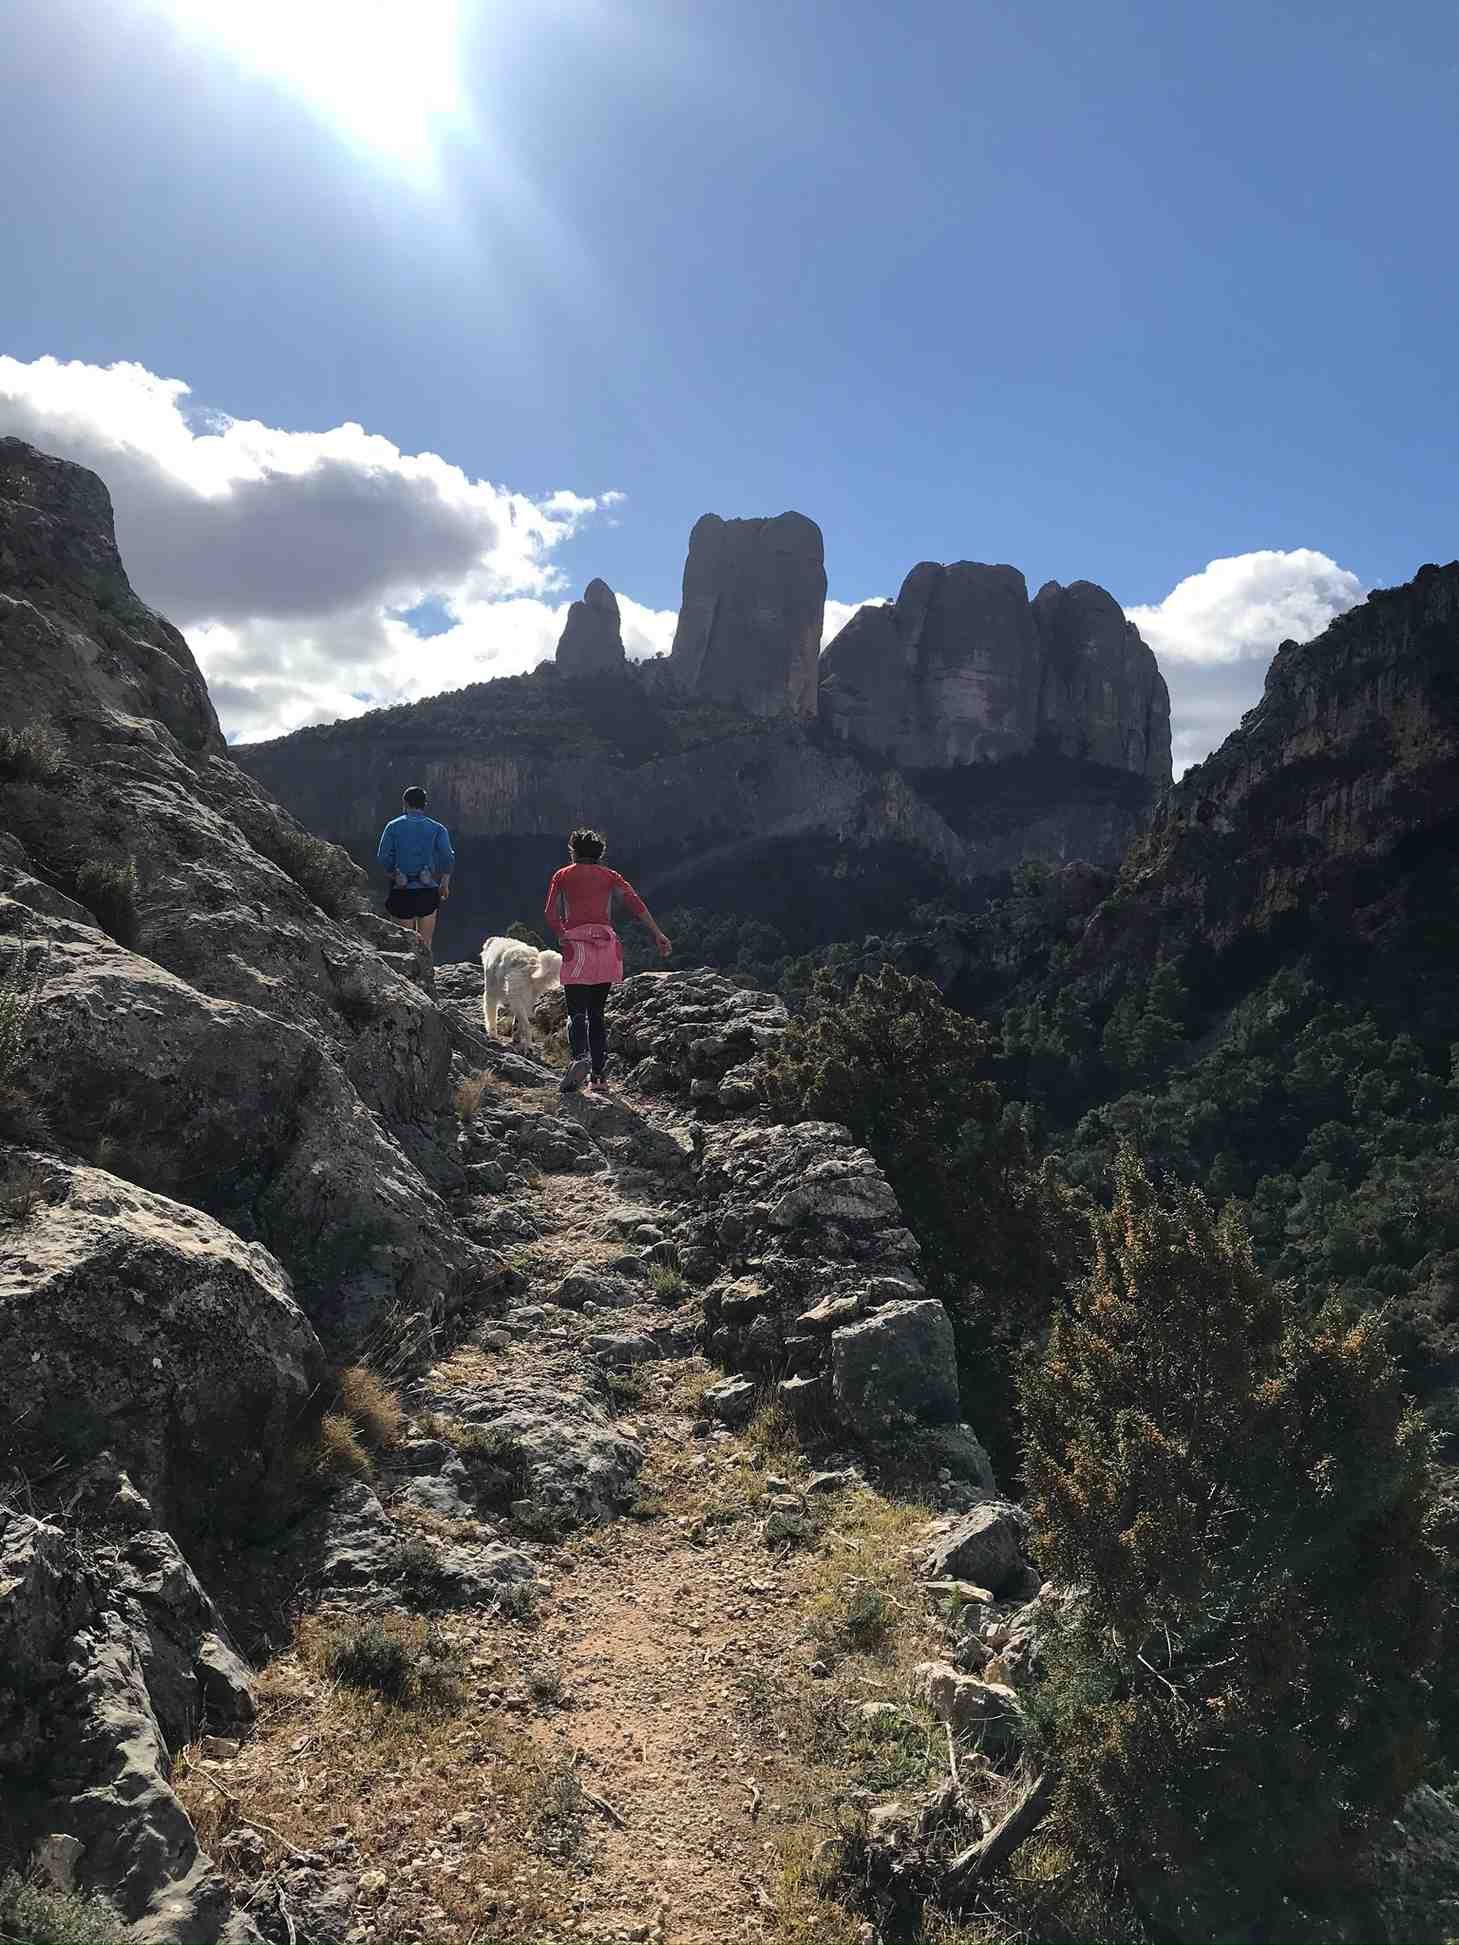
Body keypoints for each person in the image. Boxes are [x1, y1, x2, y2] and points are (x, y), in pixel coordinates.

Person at [543, 828, 670, 1093]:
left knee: (576, 1012)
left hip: (577, 946)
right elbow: (635, 903)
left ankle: (580, 1058)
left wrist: (561, 935)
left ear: (573, 851)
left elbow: (550, 912)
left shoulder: (562, 875)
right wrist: (657, 933)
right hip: (606, 946)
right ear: (600, 855)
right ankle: (599, 1077)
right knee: (597, 1013)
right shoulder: (610, 876)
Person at [377, 786, 454, 954]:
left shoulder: (392, 827)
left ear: (404, 803)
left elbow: (383, 857)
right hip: (427, 891)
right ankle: (427, 978)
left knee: (404, 948)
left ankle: (405, 980)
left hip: (401, 891)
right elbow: (447, 857)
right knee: (425, 945)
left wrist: (393, 874)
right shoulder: (437, 828)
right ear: (424, 804)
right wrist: (444, 883)